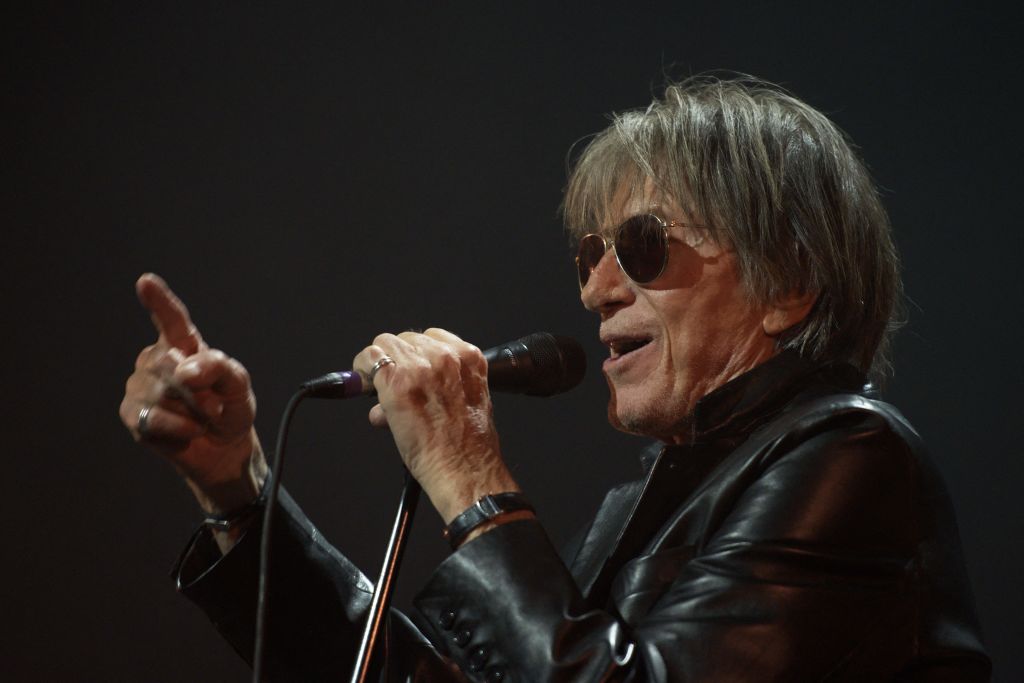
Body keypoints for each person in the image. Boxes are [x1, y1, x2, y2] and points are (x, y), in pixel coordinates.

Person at [120, 77, 991, 681]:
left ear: (787, 285)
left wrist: (468, 472)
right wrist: (237, 488)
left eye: (642, 247)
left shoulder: (851, 454)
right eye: (590, 253)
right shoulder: (645, 504)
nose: (595, 287)